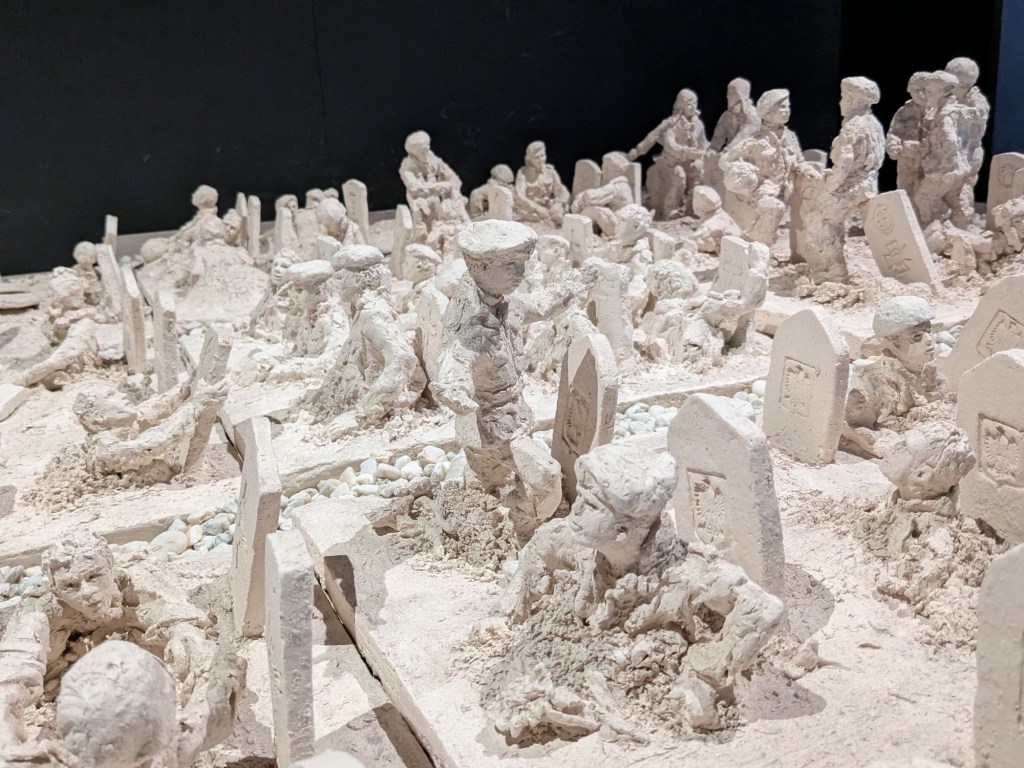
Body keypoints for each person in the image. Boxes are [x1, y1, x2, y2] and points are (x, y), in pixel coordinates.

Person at [628, 88, 709, 218]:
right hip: (671, 162)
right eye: (689, 104)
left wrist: (707, 153)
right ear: (681, 106)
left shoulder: (698, 124)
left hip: (689, 161)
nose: (693, 107)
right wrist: (636, 152)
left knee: (699, 171)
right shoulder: (671, 124)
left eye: (695, 103)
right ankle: (670, 209)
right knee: (679, 175)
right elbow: (669, 146)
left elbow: (703, 144)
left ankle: (692, 207)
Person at [513, 141, 570, 224]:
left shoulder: (550, 172)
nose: (541, 160)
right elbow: (519, 195)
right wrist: (536, 208)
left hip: (547, 207)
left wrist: (559, 203)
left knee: (561, 211)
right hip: (530, 209)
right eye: (537, 157)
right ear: (529, 159)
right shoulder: (523, 173)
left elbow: (561, 190)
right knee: (530, 216)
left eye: (542, 156)